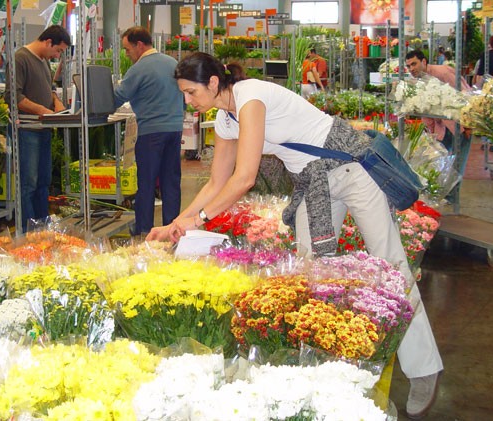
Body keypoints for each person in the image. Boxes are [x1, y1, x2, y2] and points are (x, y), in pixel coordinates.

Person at [147, 52, 443, 419]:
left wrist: (201, 218)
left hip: (352, 168)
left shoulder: (251, 95)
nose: (188, 102)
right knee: (310, 272)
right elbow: (215, 182)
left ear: (212, 83)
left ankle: (424, 366)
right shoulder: (225, 120)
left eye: (191, 93)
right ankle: (329, 363)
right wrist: (177, 222)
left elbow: (245, 178)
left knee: (392, 264)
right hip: (313, 183)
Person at [114, 26, 184, 236]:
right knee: (170, 182)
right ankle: (172, 228)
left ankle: (144, 229)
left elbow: (119, 96)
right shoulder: (172, 63)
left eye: (128, 49)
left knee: (146, 183)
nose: (127, 54)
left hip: (151, 132)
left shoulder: (139, 68)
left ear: (140, 45)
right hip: (175, 129)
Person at [6, 25, 71, 232]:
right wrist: (42, 110)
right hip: (27, 130)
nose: (57, 55)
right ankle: (27, 230)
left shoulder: (43, 62)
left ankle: (42, 227)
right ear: (48, 42)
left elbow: (50, 89)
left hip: (43, 128)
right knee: (29, 183)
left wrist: (57, 104)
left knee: (44, 181)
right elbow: (14, 96)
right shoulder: (20, 59)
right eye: (58, 50)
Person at [405, 49, 473, 174]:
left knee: (456, 170)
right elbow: (427, 108)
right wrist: (430, 132)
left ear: (424, 61)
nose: (411, 69)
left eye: (414, 64)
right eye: (408, 66)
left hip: (458, 126)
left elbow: (465, 96)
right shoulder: (419, 80)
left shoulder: (442, 73)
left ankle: (452, 193)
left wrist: (468, 126)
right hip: (441, 128)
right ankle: (445, 192)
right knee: (440, 167)